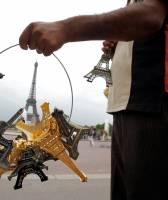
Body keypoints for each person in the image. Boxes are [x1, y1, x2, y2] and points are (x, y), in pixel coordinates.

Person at [19, 0, 168, 199]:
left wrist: (65, 29)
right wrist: (120, 41)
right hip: (124, 105)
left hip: (151, 103)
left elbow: (151, 15)